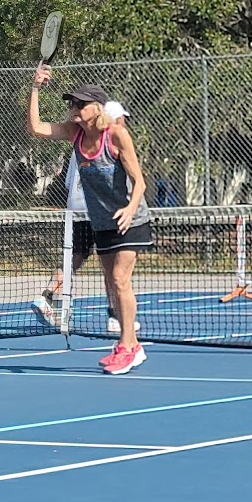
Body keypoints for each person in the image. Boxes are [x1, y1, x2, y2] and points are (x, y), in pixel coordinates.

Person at [27, 66, 151, 374]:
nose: (74, 109)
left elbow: (140, 181)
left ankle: (126, 347)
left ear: (97, 108)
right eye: (72, 104)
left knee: (121, 280)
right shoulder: (75, 134)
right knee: (112, 282)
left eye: (80, 104)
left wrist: (129, 208)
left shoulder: (117, 135)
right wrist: (35, 88)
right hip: (102, 222)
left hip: (130, 219)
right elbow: (36, 128)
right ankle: (132, 346)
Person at [33, 97, 138, 338]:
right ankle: (114, 316)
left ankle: (48, 295)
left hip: (76, 211)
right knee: (111, 267)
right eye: (120, 118)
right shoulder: (108, 143)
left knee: (76, 258)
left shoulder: (79, 144)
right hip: (99, 212)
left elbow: (71, 183)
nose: (123, 122)